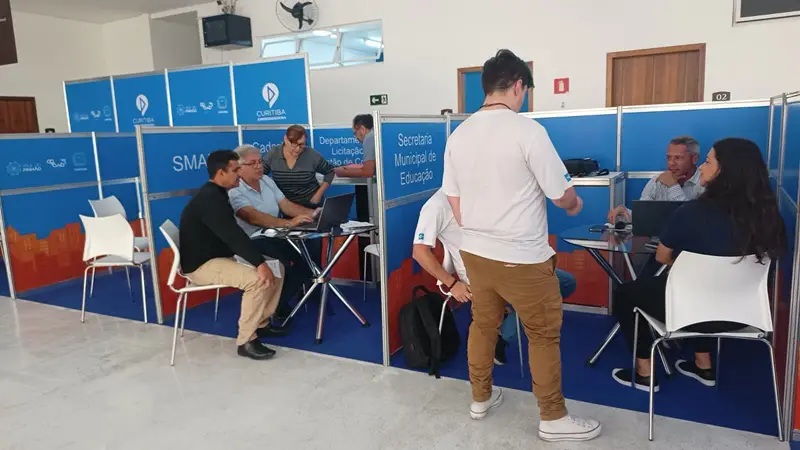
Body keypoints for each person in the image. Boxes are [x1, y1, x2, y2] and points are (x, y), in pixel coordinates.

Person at [441, 49, 601, 442]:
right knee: (543, 335)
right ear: (517, 86)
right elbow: (562, 195)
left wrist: (482, 228)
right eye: (525, 90)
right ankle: (553, 417)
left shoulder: (458, 135)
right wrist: (575, 204)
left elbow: (454, 201)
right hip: (523, 259)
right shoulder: (528, 131)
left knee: (483, 325)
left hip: (475, 254)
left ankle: (480, 398)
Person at [610, 138, 786, 392]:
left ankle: (644, 373)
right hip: (742, 314)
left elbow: (662, 257)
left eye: (708, 161)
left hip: (690, 312)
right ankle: (703, 365)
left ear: (725, 170)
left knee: (626, 293)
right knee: (707, 287)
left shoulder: (692, 212)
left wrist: (690, 265)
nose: (703, 167)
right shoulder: (770, 217)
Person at [412, 189, 578, 366]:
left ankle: (505, 319)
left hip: (512, 263)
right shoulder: (436, 205)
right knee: (540, 297)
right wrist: (452, 284)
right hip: (480, 274)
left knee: (566, 283)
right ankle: (501, 335)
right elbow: (419, 252)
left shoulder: (481, 190)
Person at [179, 150, 287, 361]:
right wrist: (259, 263)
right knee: (257, 279)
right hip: (202, 265)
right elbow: (233, 236)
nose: (240, 173)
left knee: (278, 268)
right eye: (236, 169)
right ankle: (246, 340)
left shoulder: (218, 193)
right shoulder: (210, 199)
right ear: (221, 173)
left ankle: (261, 324)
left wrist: (262, 263)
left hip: (220, 257)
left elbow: (233, 236)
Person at [230, 144, 318, 321]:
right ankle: (275, 308)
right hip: (250, 241)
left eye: (260, 162)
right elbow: (252, 217)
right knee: (284, 265)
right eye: (252, 163)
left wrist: (314, 214)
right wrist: (288, 223)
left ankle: (291, 297)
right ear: (239, 168)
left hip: (274, 235)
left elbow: (286, 205)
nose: (259, 166)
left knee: (309, 253)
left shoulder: (266, 181)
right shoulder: (234, 189)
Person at [607, 136, 704, 223]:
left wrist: (672, 186)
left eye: (678, 158)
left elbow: (690, 220)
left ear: (694, 159)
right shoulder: (657, 180)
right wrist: (624, 213)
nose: (671, 163)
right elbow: (644, 216)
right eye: (668, 157)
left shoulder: (705, 183)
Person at [264, 125, 335, 209]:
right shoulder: (273, 154)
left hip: (311, 205)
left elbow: (330, 171)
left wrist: (318, 194)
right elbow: (260, 174)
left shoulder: (312, 155)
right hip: (287, 207)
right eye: (294, 144)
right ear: (285, 139)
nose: (298, 149)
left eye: (302, 145)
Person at [334, 114, 376, 178]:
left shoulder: (369, 138)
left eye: (355, 133)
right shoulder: (379, 134)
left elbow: (368, 172)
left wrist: (343, 172)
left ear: (362, 129)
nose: (356, 137)